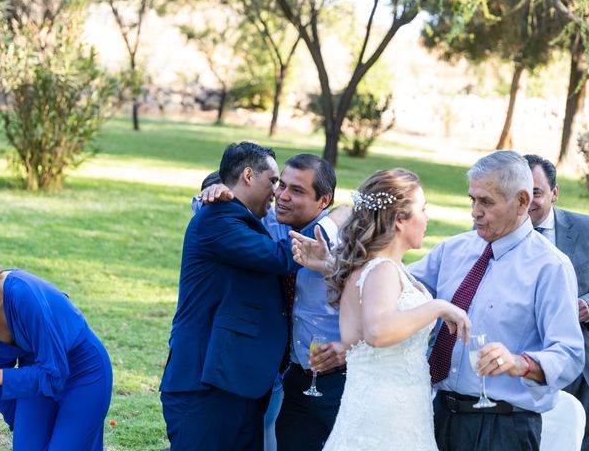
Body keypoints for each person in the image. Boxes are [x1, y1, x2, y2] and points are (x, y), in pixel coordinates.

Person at [408, 150, 584, 450]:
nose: (475, 212)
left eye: (486, 202)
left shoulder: (550, 266)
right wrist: (339, 265)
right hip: (437, 416)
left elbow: (569, 354)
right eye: (472, 199)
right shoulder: (453, 249)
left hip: (502, 429)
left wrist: (520, 363)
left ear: (522, 202)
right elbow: (399, 287)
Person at [291, 168, 472, 451]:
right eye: (422, 209)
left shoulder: (377, 268)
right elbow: (377, 331)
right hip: (386, 414)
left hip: (392, 407)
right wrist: (438, 307)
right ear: (400, 219)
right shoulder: (381, 269)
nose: (427, 218)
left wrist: (330, 265)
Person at [160, 142, 325, 450]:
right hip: (206, 385)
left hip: (236, 383)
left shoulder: (241, 217)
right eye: (273, 181)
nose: (277, 193)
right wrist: (332, 220)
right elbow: (283, 257)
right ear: (248, 175)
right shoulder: (218, 218)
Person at [198, 154, 350, 451]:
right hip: (290, 376)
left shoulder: (348, 241)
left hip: (340, 379)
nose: (282, 196)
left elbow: (380, 306)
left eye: (297, 191)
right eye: (281, 185)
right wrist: (209, 193)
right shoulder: (269, 220)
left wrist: (350, 347)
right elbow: (216, 212)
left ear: (324, 201)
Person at [0, 244, 112, 450]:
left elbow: (53, 374)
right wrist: (18, 421)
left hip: (83, 374)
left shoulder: (22, 293)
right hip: (34, 380)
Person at [524, 153, 589, 450]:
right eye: (520, 193)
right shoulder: (492, 233)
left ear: (555, 192)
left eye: (536, 192)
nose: (527, 202)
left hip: (581, 361)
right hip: (522, 363)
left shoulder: (585, 229)